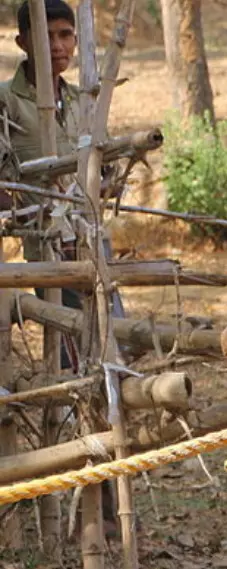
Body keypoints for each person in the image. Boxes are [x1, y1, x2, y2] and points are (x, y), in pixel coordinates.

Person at [1, 0, 123, 537]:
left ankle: (105, 487)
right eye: (47, 35)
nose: (59, 46)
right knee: (74, 368)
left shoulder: (82, 101)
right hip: (47, 253)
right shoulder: (8, 104)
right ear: (22, 42)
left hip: (93, 250)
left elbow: (101, 173)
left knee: (113, 358)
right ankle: (80, 500)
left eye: (67, 35)